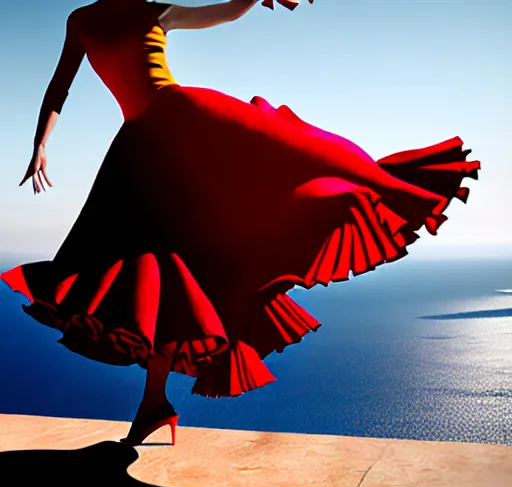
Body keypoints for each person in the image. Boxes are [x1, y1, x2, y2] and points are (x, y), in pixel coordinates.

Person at [1, 0, 480, 446]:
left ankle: (382, 187)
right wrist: (41, 143)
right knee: (160, 271)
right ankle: (153, 402)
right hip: (139, 148)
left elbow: (221, 13)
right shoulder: (81, 20)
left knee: (274, 175)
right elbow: (59, 85)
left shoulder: (157, 11)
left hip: (186, 120)